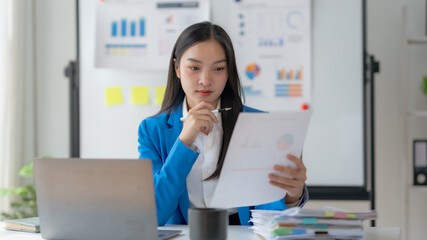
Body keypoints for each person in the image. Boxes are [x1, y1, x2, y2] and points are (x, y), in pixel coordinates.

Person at [138, 21, 308, 226]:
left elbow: (269, 215)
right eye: (194, 67)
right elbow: (152, 214)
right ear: (177, 68)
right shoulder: (152, 130)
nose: (205, 80)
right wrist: (184, 141)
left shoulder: (259, 125)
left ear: (228, 72)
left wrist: (291, 197)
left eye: (218, 68)